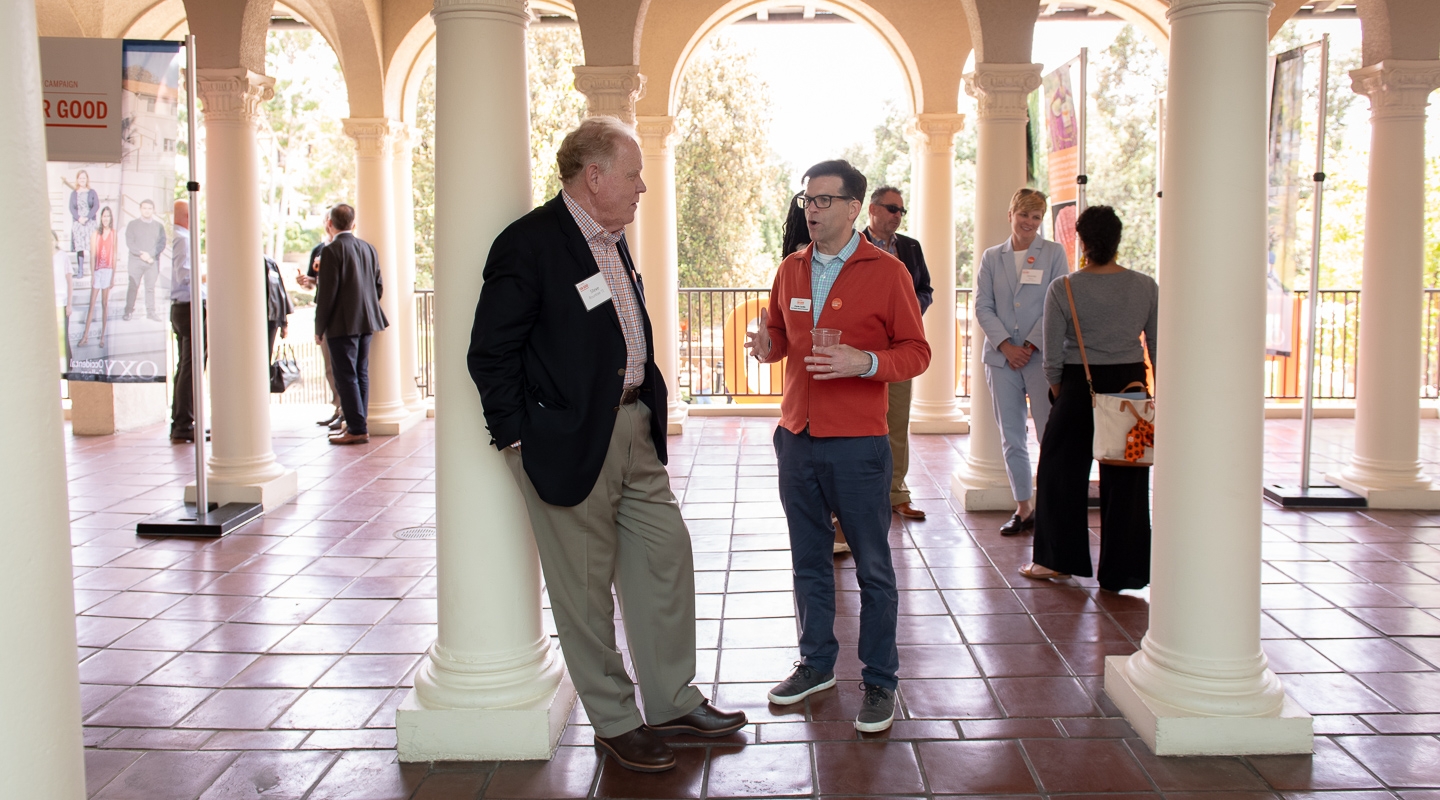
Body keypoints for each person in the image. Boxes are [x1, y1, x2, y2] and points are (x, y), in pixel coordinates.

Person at [469, 117, 745, 774]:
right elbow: (490, 353)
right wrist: (516, 438)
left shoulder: (611, 240)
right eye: (633, 173)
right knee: (584, 589)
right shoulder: (530, 244)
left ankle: (673, 701)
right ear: (594, 177)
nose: (643, 186)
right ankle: (616, 720)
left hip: (632, 429)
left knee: (664, 556)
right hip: (565, 441)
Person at [747, 159, 930, 733]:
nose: (812, 210)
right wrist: (765, 345)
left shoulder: (888, 270)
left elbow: (916, 353)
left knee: (874, 568)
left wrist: (866, 362)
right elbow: (780, 338)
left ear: (855, 209)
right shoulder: (790, 270)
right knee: (809, 561)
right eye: (808, 200)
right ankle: (817, 664)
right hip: (796, 438)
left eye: (825, 201)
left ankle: (879, 681)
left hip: (857, 445)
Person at [1023, 205, 1158, 591]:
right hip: (1131, 388)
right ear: (1117, 241)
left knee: (1059, 473)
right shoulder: (1145, 286)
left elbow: (1051, 355)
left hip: (1078, 385)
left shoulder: (1064, 287)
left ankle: (1056, 561)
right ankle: (1124, 571)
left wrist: (1058, 390)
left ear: (1081, 242)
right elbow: (1157, 344)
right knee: (1129, 478)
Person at [974, 188, 1069, 535]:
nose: (1029, 222)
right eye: (1024, 214)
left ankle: (1052, 507)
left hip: (1041, 358)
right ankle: (1024, 508)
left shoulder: (1055, 253)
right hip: (1001, 360)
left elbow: (1058, 302)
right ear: (1011, 214)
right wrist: (1005, 345)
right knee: (1011, 436)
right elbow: (982, 305)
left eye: (1036, 217)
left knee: (1049, 435)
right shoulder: (991, 257)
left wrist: (1028, 343)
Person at [862, 186, 934, 521]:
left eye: (901, 211)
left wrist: (905, 310)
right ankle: (856, 495)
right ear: (872, 209)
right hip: (861, 351)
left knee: (897, 422)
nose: (897, 216)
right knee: (859, 424)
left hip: (901, 349)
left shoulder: (911, 248)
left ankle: (896, 493)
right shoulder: (852, 245)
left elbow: (925, 290)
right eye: (892, 208)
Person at [314, 203, 387, 445]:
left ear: (330, 224)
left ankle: (356, 428)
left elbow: (327, 294)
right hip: (367, 320)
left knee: (346, 376)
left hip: (342, 324)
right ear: (353, 224)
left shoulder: (332, 250)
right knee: (360, 373)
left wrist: (319, 327)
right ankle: (359, 423)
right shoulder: (368, 248)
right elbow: (378, 286)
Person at [299, 222, 343, 429]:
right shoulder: (319, 249)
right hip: (325, 314)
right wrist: (307, 280)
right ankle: (338, 408)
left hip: (340, 317)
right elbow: (315, 283)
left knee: (346, 369)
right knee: (330, 367)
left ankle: (347, 412)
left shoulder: (344, 248)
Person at [169, 200, 206, 444]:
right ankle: (183, 423)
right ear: (187, 217)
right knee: (190, 368)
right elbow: (185, 275)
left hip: (181, 307)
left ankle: (183, 421)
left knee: (186, 367)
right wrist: (207, 274)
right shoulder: (182, 238)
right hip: (189, 307)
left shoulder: (172, 238)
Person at [77, 206, 116, 347]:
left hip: (108, 271)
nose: (106, 219)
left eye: (108, 216)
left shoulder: (113, 233)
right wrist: (93, 274)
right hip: (98, 271)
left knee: (105, 303)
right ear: (101, 218)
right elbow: (93, 255)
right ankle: (85, 336)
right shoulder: (95, 234)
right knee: (92, 303)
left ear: (111, 218)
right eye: (104, 216)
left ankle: (102, 337)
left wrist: (113, 276)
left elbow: (114, 254)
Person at [123, 199, 166, 321]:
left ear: (153, 210)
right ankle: (128, 311)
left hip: (152, 262)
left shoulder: (159, 226)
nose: (147, 211)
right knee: (133, 286)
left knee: (150, 288)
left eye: (149, 208)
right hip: (136, 261)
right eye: (144, 208)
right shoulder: (132, 224)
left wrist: (150, 255)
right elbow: (130, 242)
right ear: (140, 209)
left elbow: (161, 243)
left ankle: (151, 312)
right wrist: (141, 254)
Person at [68, 170, 98, 279]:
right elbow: (71, 208)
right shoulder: (73, 193)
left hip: (90, 222)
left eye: (84, 178)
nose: (82, 180)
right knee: (80, 248)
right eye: (80, 178)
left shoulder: (92, 192)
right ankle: (80, 271)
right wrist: (79, 218)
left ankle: (93, 270)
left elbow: (96, 206)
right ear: (77, 180)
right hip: (78, 222)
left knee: (92, 247)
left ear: (87, 179)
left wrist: (87, 217)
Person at [265, 255, 293, 357]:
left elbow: (280, 292)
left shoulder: (269, 263)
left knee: (266, 356)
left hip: (271, 319)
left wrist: (284, 323)